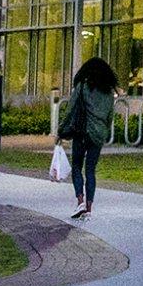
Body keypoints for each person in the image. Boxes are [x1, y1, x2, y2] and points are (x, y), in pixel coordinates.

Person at [57, 57, 116, 220]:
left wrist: (60, 131)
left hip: (81, 132)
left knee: (77, 166)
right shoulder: (109, 91)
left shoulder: (82, 86)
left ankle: (80, 201)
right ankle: (89, 209)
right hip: (98, 135)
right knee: (91, 170)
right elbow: (110, 116)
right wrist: (105, 131)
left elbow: (70, 110)